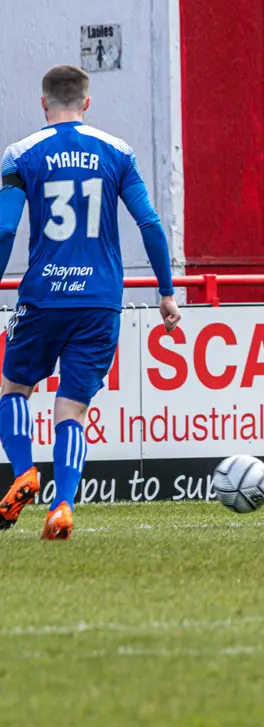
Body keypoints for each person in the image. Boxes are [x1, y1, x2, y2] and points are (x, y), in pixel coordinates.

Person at [0, 65, 180, 540]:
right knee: (72, 409)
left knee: (14, 386)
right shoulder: (118, 153)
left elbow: (3, 229)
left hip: (43, 295)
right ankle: (62, 506)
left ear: (43, 103)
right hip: (100, 301)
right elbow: (150, 225)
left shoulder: (20, 154)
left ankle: (23, 471)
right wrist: (166, 291)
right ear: (88, 102)